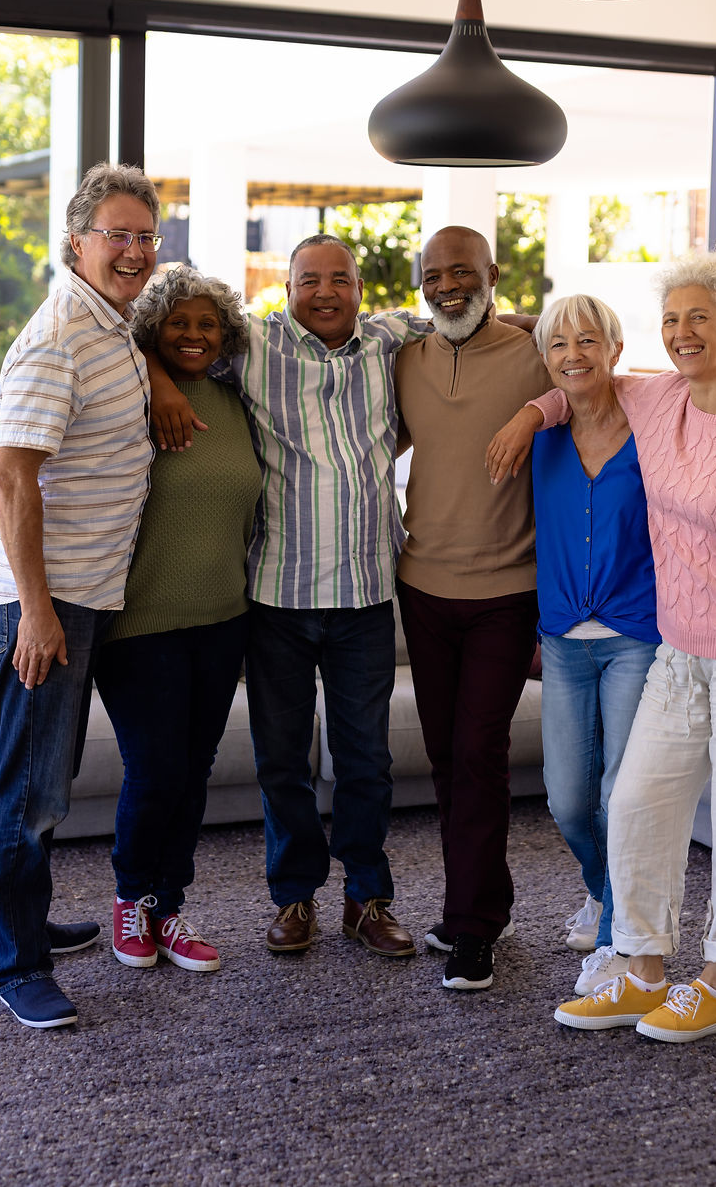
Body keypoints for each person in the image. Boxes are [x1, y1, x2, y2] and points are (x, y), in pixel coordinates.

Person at [487, 245, 716, 1043]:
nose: (681, 332)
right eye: (672, 319)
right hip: (678, 649)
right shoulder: (656, 399)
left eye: (698, 319)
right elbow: (578, 384)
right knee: (636, 802)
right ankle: (641, 968)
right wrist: (524, 397)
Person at [147, 235, 429, 959]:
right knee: (282, 760)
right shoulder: (252, 345)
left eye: (341, 278)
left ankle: (367, 898)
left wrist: (528, 330)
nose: (327, 291)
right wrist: (161, 382)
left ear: (361, 286)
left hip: (366, 593)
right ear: (288, 285)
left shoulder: (390, 335)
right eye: (310, 279)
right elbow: (144, 336)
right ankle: (294, 897)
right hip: (276, 595)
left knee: (365, 759)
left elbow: (468, 318)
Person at [0, 162, 161, 1029]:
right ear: (77, 240)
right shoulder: (59, 334)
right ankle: (15, 961)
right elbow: (12, 480)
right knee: (34, 789)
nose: (132, 249)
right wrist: (39, 608)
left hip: (76, 591)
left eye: (145, 235)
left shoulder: (109, 325)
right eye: (115, 233)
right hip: (42, 599)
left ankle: (11, 918)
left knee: (38, 775)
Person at [394, 226, 552, 991]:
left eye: (463, 271)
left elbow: (602, 374)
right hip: (422, 586)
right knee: (447, 759)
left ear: (492, 275)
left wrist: (538, 410)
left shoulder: (534, 352)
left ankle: (472, 928)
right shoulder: (406, 360)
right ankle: (482, 899)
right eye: (433, 274)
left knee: (480, 753)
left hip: (506, 593)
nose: (447, 285)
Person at [93, 265, 261, 974]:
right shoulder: (125, 390)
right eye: (180, 322)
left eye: (208, 323)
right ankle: (130, 898)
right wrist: (155, 378)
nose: (194, 334)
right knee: (154, 770)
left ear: (225, 334)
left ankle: (170, 905)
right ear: (153, 328)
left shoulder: (238, 399)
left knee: (193, 769)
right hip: (139, 622)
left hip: (224, 618)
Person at [529, 294, 661, 997]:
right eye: (558, 344)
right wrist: (531, 408)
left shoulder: (654, 427)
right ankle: (601, 888)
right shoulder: (540, 436)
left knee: (620, 792)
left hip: (635, 634)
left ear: (615, 348)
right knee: (567, 799)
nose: (574, 354)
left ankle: (615, 938)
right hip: (562, 641)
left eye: (588, 339)